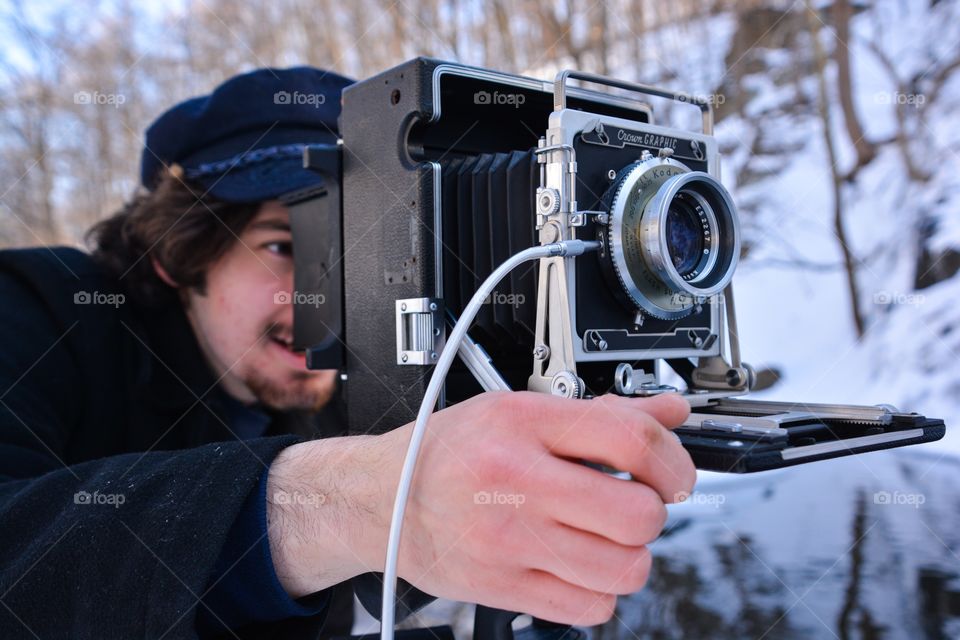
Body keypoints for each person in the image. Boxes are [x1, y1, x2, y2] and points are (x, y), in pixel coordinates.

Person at [0, 66, 697, 639]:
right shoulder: (40, 308)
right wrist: (344, 505)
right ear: (174, 251)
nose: (321, 293)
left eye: (351, 249)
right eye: (285, 245)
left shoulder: (367, 376)